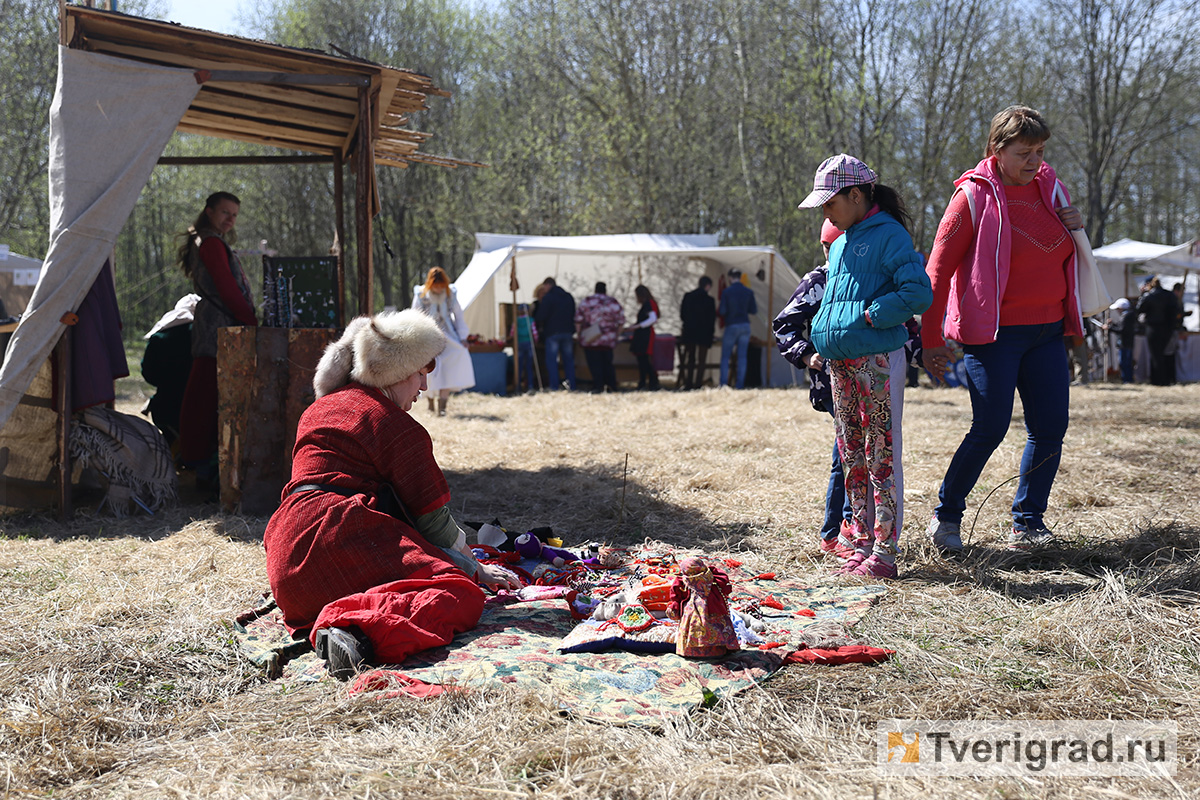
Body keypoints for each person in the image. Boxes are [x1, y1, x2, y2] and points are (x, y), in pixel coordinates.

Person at [264, 309, 520, 680]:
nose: (424, 387)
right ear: (398, 372)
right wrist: (475, 569)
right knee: (459, 592)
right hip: (338, 537)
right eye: (420, 373)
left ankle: (336, 620)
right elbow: (432, 522)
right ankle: (355, 633)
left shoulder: (318, 410)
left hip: (287, 565)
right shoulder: (395, 425)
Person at [922, 106, 1085, 554]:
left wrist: (1077, 228)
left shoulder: (1053, 190)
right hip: (993, 337)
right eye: (1023, 152)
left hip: (1048, 331)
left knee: (1050, 427)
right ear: (997, 148)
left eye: (1040, 151)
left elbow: (1064, 250)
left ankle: (1029, 522)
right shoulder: (971, 198)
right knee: (990, 427)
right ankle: (947, 516)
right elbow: (936, 274)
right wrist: (931, 340)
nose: (1034, 161)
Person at [800, 153, 932, 578]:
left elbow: (917, 294)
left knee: (882, 454)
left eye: (829, 201)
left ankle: (884, 550)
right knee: (851, 452)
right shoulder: (838, 243)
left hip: (877, 360)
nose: (825, 210)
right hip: (840, 363)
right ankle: (858, 540)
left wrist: (874, 314)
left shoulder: (890, 236)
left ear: (855, 195)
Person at [773, 219, 852, 556]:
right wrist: (808, 354)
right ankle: (835, 532)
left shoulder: (865, 279)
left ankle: (851, 527)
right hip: (832, 382)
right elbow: (784, 326)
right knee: (846, 456)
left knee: (858, 454)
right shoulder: (817, 282)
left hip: (866, 379)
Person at [176, 191, 257, 479]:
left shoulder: (212, 241)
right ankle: (196, 457)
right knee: (205, 390)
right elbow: (226, 287)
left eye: (234, 215)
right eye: (225, 212)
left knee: (208, 389)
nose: (230, 219)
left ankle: (197, 454)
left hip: (217, 319)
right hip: (217, 323)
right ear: (209, 211)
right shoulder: (209, 242)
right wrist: (248, 319)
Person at [412, 267, 474, 415]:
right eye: (436, 287)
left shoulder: (450, 293)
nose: (439, 290)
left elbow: (458, 316)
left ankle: (443, 405)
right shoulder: (421, 294)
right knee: (430, 370)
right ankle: (430, 402)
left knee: (450, 366)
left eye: (441, 287)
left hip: (448, 336)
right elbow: (415, 316)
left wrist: (463, 337)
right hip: (428, 336)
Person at [140, 294, 199, 450]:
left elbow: (148, 373)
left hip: (165, 409)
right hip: (200, 410)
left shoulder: (159, 338)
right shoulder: (203, 335)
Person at [574, 281, 624, 393]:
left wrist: (579, 335)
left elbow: (578, 320)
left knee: (594, 364)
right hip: (608, 340)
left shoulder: (587, 301)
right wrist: (616, 336)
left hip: (591, 339)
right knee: (608, 363)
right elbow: (621, 321)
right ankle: (611, 386)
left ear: (595, 289)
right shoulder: (613, 302)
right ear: (605, 290)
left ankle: (598, 386)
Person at [1136, 276, 1181, 386]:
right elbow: (1175, 311)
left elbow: (1139, 309)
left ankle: (1157, 379)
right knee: (1166, 354)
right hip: (1167, 329)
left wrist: (1142, 294)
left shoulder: (1149, 295)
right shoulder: (1169, 295)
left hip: (1153, 328)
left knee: (1155, 354)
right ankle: (1168, 379)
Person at [534, 277, 577, 390]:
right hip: (567, 332)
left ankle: (554, 386)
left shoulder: (548, 298)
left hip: (553, 333)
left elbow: (541, 316)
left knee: (552, 361)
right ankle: (571, 385)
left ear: (548, 285)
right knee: (568, 360)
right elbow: (574, 313)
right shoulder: (568, 297)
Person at [718, 270, 757, 388]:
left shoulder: (726, 292)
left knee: (725, 356)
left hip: (732, 325)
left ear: (730, 278)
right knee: (742, 357)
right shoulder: (748, 292)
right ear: (740, 278)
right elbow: (753, 310)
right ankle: (739, 385)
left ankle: (723, 384)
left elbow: (722, 311)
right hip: (745, 325)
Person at [678, 276, 717, 390]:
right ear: (708, 286)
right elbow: (712, 319)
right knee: (702, 360)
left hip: (690, 332)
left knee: (690, 358)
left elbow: (682, 315)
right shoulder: (710, 301)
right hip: (704, 333)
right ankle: (698, 383)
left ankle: (688, 382)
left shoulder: (688, 297)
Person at [630, 284, 661, 390]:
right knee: (642, 360)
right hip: (641, 334)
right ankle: (643, 381)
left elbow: (653, 319)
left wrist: (638, 326)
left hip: (646, 335)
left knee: (645, 360)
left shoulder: (649, 304)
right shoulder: (647, 304)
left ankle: (652, 381)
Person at [1102, 297, 1137, 383]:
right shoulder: (1129, 315)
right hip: (1127, 342)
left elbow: (1121, 330)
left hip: (1124, 342)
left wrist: (1109, 328)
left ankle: (1127, 380)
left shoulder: (1126, 316)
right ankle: (1127, 379)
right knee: (1126, 362)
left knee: (1124, 362)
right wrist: (1112, 324)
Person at [510, 303, 539, 393]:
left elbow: (512, 333)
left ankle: (518, 385)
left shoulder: (516, 321)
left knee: (519, 366)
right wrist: (536, 341)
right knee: (529, 366)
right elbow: (534, 333)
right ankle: (530, 385)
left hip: (519, 343)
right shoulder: (530, 320)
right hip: (529, 343)